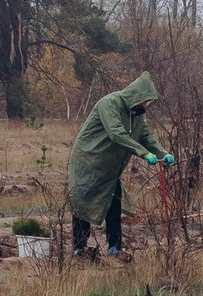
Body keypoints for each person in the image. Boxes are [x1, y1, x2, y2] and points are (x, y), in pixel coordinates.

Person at [67, 72, 170, 257]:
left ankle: (115, 248)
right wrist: (143, 153)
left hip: (110, 170)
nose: (145, 106)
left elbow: (146, 136)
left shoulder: (136, 115)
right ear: (135, 96)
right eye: (143, 100)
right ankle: (79, 248)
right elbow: (116, 134)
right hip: (89, 163)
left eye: (147, 102)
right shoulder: (110, 104)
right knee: (83, 202)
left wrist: (163, 153)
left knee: (113, 205)